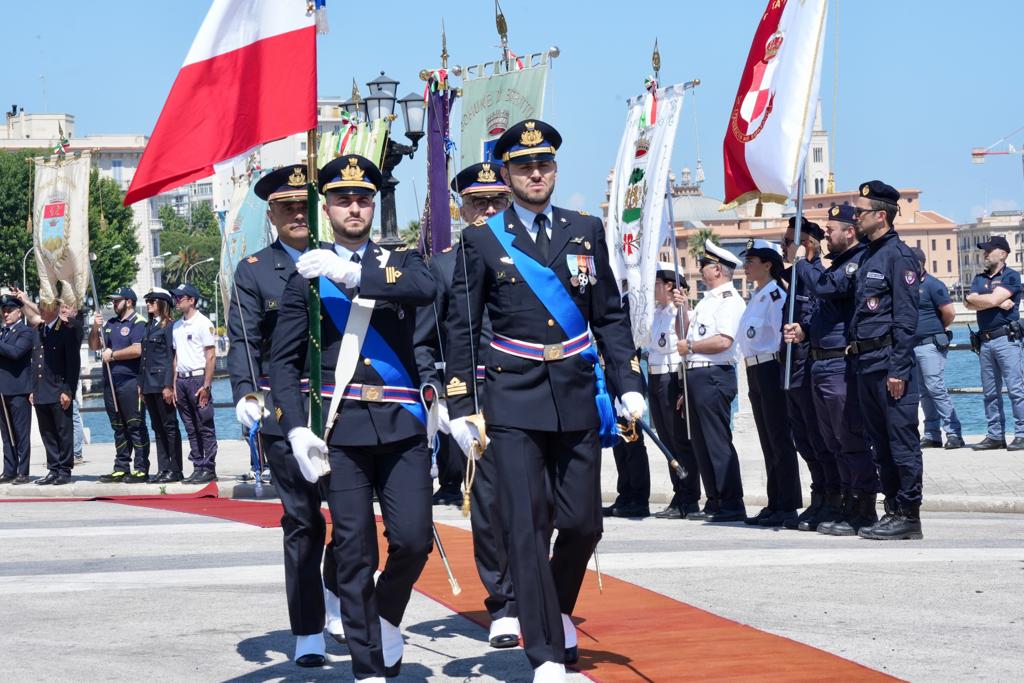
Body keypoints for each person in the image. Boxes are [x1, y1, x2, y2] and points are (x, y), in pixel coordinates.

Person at [444, 120, 643, 682]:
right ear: (506, 174)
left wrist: (628, 381)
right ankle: (547, 655)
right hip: (512, 399)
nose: (536, 173)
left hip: (576, 394)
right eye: (525, 165)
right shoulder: (483, 239)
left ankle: (551, 610)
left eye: (545, 164)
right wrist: (462, 406)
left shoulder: (585, 229)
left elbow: (608, 311)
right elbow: (461, 327)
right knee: (527, 528)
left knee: (583, 524)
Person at [271, 154, 437, 682]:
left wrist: (352, 273)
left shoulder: (401, 261)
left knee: (413, 539)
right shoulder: (305, 277)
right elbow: (283, 359)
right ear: (327, 208)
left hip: (400, 423)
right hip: (338, 432)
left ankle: (386, 614)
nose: (354, 207)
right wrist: (296, 426)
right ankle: (368, 668)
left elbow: (424, 289)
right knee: (352, 551)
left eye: (363, 198)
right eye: (343, 199)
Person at [230, 164, 345, 665]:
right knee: (302, 522)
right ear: (272, 215)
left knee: (352, 518)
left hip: (346, 406)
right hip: (285, 408)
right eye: (287, 207)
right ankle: (307, 630)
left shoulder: (342, 259)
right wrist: (245, 392)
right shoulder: (254, 269)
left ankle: (338, 595)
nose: (298, 214)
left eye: (305, 205)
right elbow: (246, 341)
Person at [415, 160, 521, 648]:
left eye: (497, 201)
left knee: (540, 507)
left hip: (531, 395)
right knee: (489, 507)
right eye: (477, 202)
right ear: (461, 207)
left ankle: (537, 592)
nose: (488, 210)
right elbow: (424, 343)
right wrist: (436, 398)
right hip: (474, 403)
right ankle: (503, 603)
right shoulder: (440, 267)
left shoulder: (530, 259)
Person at [785, 205, 880, 535]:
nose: (826, 235)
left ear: (849, 232)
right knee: (831, 440)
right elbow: (825, 311)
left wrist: (801, 261)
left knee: (849, 436)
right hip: (819, 361)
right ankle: (845, 502)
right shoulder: (836, 266)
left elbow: (827, 289)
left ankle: (864, 506)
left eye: (830, 230)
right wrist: (805, 331)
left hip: (840, 364)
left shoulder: (857, 262)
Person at [847, 180, 923, 541]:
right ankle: (891, 508)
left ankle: (909, 513)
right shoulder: (867, 256)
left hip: (890, 365)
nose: (856, 217)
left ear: (881, 215)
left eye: (860, 212)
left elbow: (906, 320)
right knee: (880, 442)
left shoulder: (899, 256)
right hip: (867, 363)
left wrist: (899, 369)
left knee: (901, 441)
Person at [674, 240, 747, 523]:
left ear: (717, 269)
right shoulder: (707, 300)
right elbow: (685, 334)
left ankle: (731, 501)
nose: (701, 270)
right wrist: (682, 310)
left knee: (717, 441)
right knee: (701, 442)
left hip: (714, 373)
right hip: (697, 374)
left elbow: (723, 341)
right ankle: (715, 499)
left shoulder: (729, 300)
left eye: (704, 265)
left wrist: (691, 348)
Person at [736, 240, 801, 527]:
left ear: (768, 264)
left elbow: (780, 337)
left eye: (751, 261)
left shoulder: (776, 295)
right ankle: (774, 500)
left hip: (771, 368)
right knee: (767, 440)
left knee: (779, 439)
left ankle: (787, 504)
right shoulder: (758, 295)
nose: (746, 266)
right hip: (754, 370)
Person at [780, 218, 834, 530]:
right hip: (791, 364)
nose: (785, 246)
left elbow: (816, 308)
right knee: (803, 437)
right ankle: (819, 494)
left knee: (817, 435)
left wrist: (801, 260)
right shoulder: (796, 274)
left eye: (789, 241)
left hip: (808, 363)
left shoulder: (814, 273)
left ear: (807, 243)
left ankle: (830, 496)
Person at [646, 264, 706, 519]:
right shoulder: (657, 313)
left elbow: (683, 349)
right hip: (655, 375)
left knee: (679, 439)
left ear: (670, 286)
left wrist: (682, 388)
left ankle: (689, 496)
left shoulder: (679, 313)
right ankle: (678, 491)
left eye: (658, 283)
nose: (654, 288)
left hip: (671, 377)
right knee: (666, 440)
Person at [964, 235, 1024, 451]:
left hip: (1006, 340)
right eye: (984, 250)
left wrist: (983, 300)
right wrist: (993, 300)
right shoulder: (979, 278)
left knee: (1016, 390)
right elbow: (968, 302)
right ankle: (995, 436)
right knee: (989, 392)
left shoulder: (1011, 276)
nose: (985, 254)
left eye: (989, 250)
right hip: (985, 342)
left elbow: (982, 301)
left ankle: (1022, 434)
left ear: (1003, 253)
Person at [89, 288, 151, 483]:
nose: (114, 304)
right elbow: (95, 346)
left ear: (129, 302)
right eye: (113, 301)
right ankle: (121, 466)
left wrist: (114, 355)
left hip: (131, 381)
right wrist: (94, 328)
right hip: (111, 382)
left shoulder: (138, 323)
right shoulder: (110, 324)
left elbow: (137, 349)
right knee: (118, 426)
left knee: (135, 425)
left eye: (118, 301)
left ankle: (141, 468)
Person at [911, 247, 964, 450]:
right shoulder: (908, 285)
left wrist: (938, 328)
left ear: (921, 263)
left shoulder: (933, 285)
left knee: (936, 388)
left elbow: (949, 312)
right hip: (913, 345)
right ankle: (932, 434)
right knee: (923, 392)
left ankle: (953, 433)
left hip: (930, 344)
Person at [170, 283, 218, 483]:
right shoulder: (176, 326)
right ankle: (198, 465)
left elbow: (211, 356)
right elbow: (176, 357)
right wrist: (174, 384)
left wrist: (206, 385)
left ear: (192, 300)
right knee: (190, 426)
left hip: (198, 378)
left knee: (204, 424)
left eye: (181, 297)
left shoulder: (203, 323)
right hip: (182, 379)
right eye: (177, 297)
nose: (177, 300)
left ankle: (209, 467)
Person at [31, 300, 81, 485]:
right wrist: (32, 389)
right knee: (47, 432)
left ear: (53, 309)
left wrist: (68, 390)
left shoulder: (66, 330)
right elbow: (35, 362)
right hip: (41, 389)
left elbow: (72, 364)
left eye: (44, 307)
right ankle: (53, 468)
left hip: (59, 389)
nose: (41, 310)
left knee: (63, 431)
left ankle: (64, 469)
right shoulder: (39, 330)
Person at [139, 288, 184, 483]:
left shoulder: (169, 327)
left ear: (162, 303)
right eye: (148, 301)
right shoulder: (149, 327)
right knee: (157, 428)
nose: (149, 304)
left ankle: (175, 469)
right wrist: (141, 385)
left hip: (161, 384)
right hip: (149, 384)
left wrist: (169, 385)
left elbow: (170, 357)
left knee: (169, 427)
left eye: (152, 301)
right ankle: (163, 468)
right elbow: (145, 359)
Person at [0, 294, 35, 485]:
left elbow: (16, 353)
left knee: (21, 434)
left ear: (18, 311)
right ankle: (9, 469)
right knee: (7, 434)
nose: (5, 314)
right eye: (3, 311)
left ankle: (24, 471)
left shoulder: (25, 332)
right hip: (2, 390)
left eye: (9, 311)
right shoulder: (2, 332)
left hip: (18, 390)